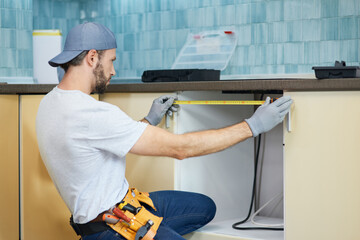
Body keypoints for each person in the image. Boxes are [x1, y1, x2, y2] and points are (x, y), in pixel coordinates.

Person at [36, 22, 292, 240]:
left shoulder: (49, 104)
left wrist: (148, 121)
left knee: (204, 208)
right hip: (114, 228)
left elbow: (96, 145)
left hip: (117, 209)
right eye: (111, 60)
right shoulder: (93, 113)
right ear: (92, 58)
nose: (113, 70)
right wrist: (252, 126)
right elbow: (180, 149)